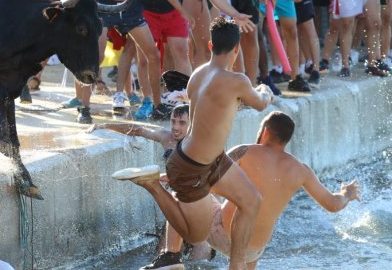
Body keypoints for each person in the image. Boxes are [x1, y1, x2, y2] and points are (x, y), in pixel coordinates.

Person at [116, 17, 273, 270]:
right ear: (236, 49)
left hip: (214, 160)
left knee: (252, 201)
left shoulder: (198, 74)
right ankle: (152, 185)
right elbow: (260, 103)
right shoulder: (238, 81)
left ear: (210, 46)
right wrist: (265, 89)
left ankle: (236, 265)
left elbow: (208, 106)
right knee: (196, 236)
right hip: (190, 167)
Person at [144, 111, 361, 270]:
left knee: (183, 195)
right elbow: (333, 204)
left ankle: (171, 256)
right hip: (254, 249)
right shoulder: (301, 170)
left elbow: (209, 178)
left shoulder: (246, 151)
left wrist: (179, 179)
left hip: (224, 231)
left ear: (265, 131)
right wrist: (347, 194)